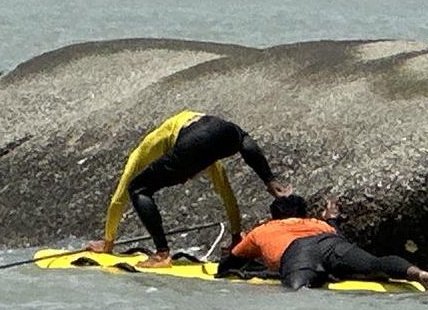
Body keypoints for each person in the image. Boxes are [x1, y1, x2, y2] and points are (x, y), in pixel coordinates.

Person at [87, 110, 292, 267]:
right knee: (241, 137)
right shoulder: (207, 158)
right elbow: (227, 193)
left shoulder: (146, 149)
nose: (185, 181)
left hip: (193, 138)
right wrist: (236, 236)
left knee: (137, 188)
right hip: (222, 128)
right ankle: (272, 183)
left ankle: (161, 254)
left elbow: (118, 198)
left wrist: (108, 242)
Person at [218, 194, 428, 290]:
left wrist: (223, 268)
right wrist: (332, 217)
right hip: (329, 242)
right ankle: (415, 273)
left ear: (273, 216)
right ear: (304, 213)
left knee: (296, 293)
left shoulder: (263, 230)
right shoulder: (317, 223)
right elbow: (338, 235)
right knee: (374, 264)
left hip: (297, 254)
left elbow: (231, 263)